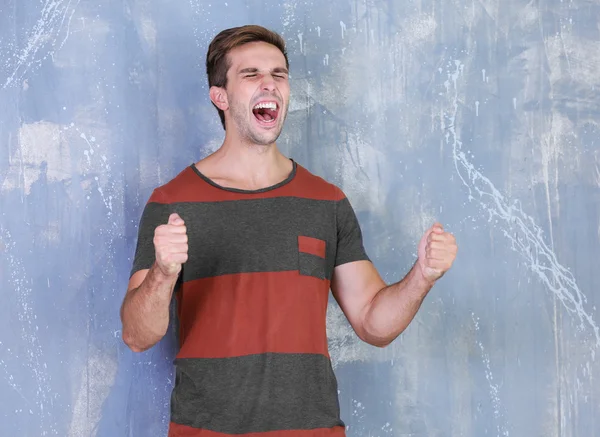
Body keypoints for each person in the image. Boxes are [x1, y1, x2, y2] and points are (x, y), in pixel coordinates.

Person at [120, 24, 457, 437]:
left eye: (279, 75)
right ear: (219, 96)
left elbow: (374, 323)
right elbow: (137, 335)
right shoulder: (172, 203)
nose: (270, 84)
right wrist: (163, 273)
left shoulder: (326, 202)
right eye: (252, 75)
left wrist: (422, 275)